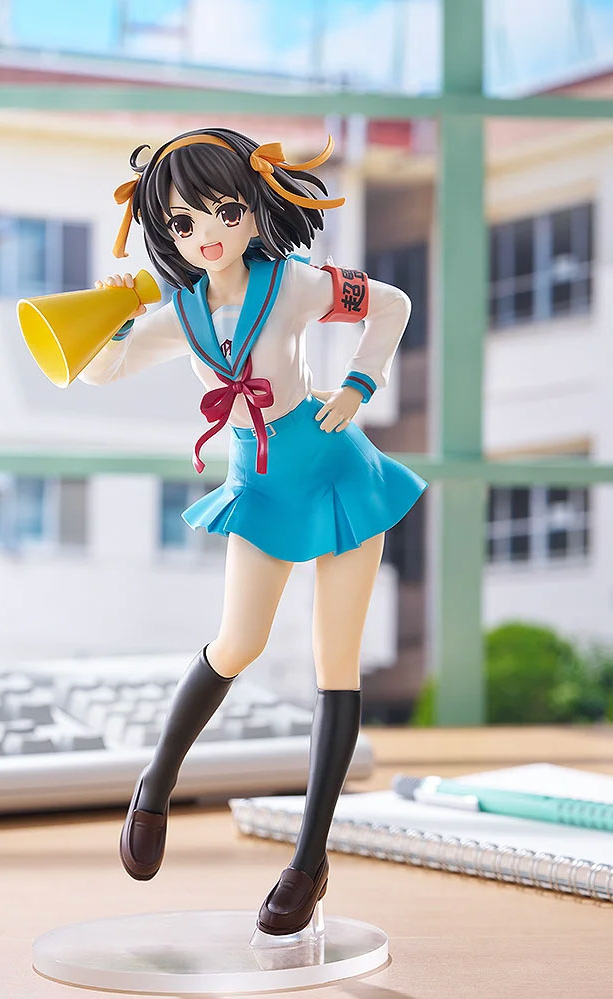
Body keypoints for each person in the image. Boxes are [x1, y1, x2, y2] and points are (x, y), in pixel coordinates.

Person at [79, 127, 428, 936]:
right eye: (183, 221)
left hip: (338, 471)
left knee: (335, 665)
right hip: (259, 482)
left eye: (225, 212)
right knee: (236, 644)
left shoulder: (295, 283)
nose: (206, 233)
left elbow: (392, 304)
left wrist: (358, 383)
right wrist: (115, 310)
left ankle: (309, 862)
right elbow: (100, 370)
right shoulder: (180, 313)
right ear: (164, 231)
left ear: (252, 208)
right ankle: (155, 786)